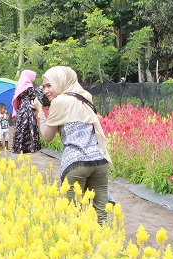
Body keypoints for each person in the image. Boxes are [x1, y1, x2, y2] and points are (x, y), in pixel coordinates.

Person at [32, 66, 111, 224]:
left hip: (76, 164)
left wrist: (40, 110)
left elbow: (47, 136)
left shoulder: (59, 102)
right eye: (44, 86)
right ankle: (107, 247)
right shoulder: (85, 96)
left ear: (61, 82)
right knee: (101, 214)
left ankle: (76, 247)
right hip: (100, 162)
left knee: (73, 214)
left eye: (49, 85)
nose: (46, 91)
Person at [11, 70, 41, 154]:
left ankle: (19, 147)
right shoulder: (28, 86)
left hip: (21, 108)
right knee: (29, 125)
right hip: (28, 108)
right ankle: (30, 147)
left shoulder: (20, 85)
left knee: (21, 126)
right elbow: (33, 97)